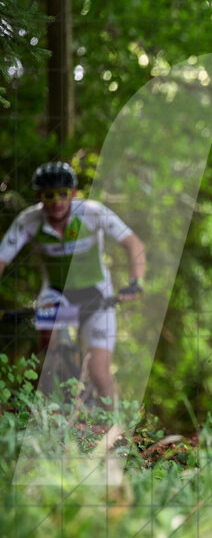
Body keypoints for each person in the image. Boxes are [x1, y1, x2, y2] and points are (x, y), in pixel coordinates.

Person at [0, 161, 146, 404]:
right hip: (56, 295)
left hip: (98, 295)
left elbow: (133, 244)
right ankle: (59, 407)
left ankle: (118, 428)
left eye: (63, 194)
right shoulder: (29, 221)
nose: (57, 201)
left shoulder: (92, 212)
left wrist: (135, 283)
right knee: (49, 351)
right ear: (39, 196)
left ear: (74, 194)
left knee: (100, 372)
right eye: (49, 195)